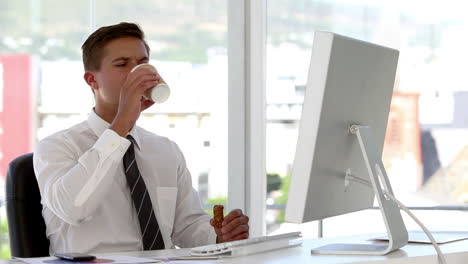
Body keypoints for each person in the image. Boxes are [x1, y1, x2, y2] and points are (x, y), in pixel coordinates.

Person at [33, 22, 249, 254]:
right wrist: (122, 122)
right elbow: (74, 207)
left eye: (143, 64)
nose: (138, 74)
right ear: (91, 80)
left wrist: (217, 236)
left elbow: (186, 226)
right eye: (123, 64)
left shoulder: (166, 150)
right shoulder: (56, 147)